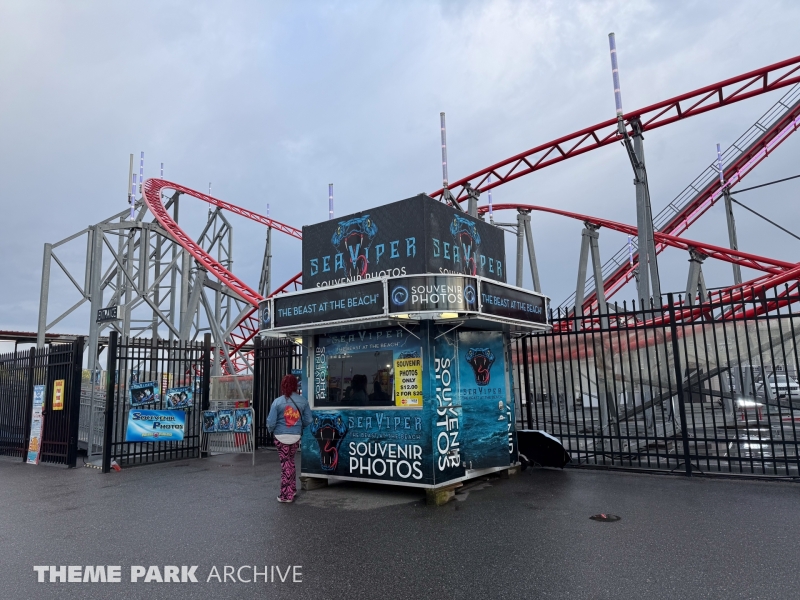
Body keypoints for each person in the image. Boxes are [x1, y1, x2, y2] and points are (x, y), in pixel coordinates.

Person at [267, 374, 313, 503]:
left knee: (285, 464)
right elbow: (309, 419)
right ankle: (292, 490)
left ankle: (285, 495)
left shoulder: (277, 401)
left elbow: (271, 422)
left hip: (280, 435)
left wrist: (271, 431)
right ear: (295, 386)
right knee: (290, 461)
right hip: (295, 436)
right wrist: (299, 426)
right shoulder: (303, 401)